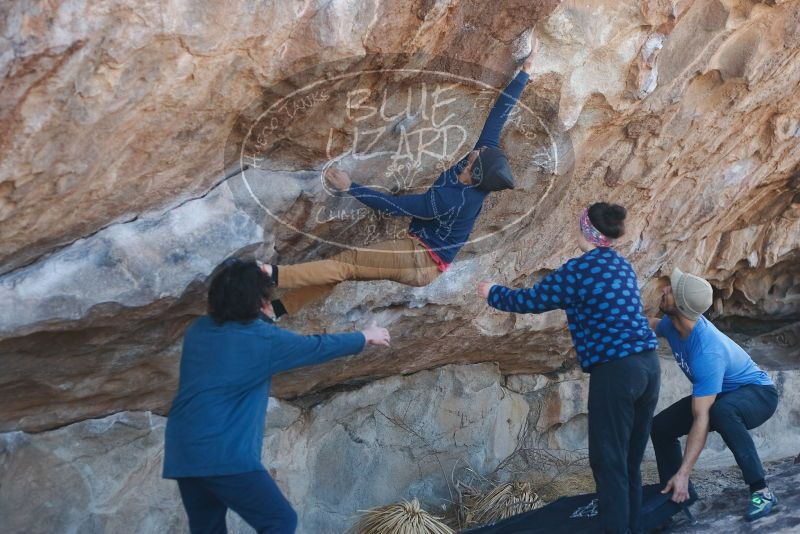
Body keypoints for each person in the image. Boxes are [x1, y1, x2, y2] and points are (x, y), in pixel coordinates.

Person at [264, 40, 541, 317]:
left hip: (420, 261)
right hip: (421, 255)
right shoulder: (478, 171)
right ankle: (277, 309)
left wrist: (351, 187)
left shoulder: (450, 199)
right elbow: (498, 116)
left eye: (476, 157)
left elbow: (395, 206)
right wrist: (525, 72)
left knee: (347, 263)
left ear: (474, 174)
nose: (477, 150)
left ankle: (273, 275)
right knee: (346, 270)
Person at [162, 258, 390, 534]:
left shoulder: (198, 331)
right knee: (280, 520)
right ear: (259, 302)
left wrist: (254, 299)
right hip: (224, 455)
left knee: (208, 529)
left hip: (183, 453)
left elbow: (242, 329)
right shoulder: (263, 340)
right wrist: (366, 336)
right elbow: (316, 347)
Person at [478, 203, 660, 534]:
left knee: (608, 463)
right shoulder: (622, 265)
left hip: (617, 372)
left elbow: (530, 300)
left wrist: (493, 293)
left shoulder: (579, 271)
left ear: (587, 231)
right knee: (629, 462)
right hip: (649, 367)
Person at [648, 268, 779, 521]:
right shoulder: (674, 324)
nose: (664, 289)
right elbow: (653, 325)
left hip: (758, 394)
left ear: (682, 306)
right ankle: (678, 498)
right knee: (660, 427)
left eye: (671, 289)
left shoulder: (707, 351)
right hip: (723, 394)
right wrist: (618, 318)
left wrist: (686, 470)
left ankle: (761, 490)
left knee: (721, 411)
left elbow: (701, 417)